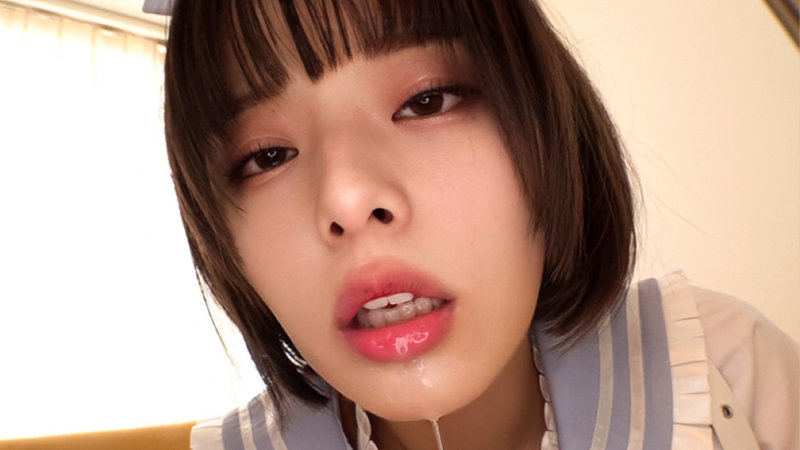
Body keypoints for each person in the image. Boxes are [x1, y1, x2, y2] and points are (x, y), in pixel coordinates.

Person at [159, 0, 799, 448]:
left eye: (426, 101)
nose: (347, 198)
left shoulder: (724, 373)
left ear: (543, 118)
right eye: (268, 156)